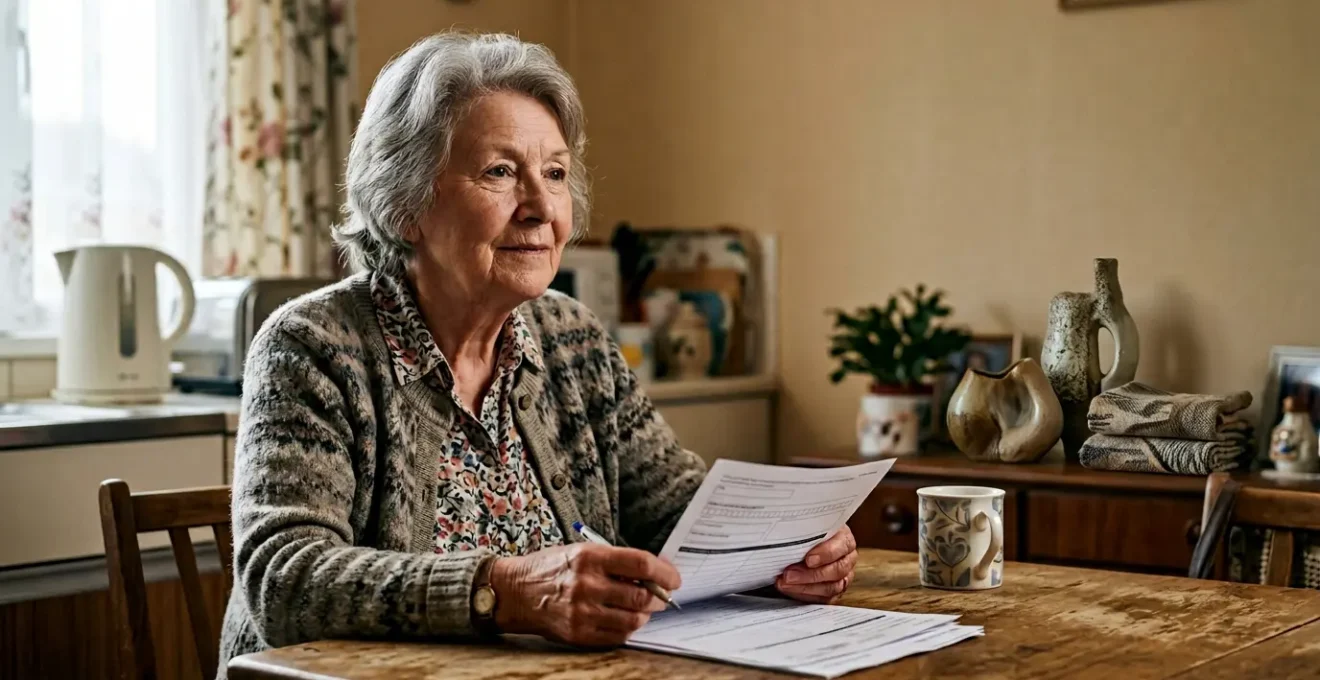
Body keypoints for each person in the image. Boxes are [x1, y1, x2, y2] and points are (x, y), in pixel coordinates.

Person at [217, 31, 857, 674]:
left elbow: (675, 509)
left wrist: (785, 552)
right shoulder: (313, 346)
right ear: (405, 204)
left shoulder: (572, 337)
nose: (541, 207)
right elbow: (285, 582)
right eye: (500, 172)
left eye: (553, 173)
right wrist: (508, 591)